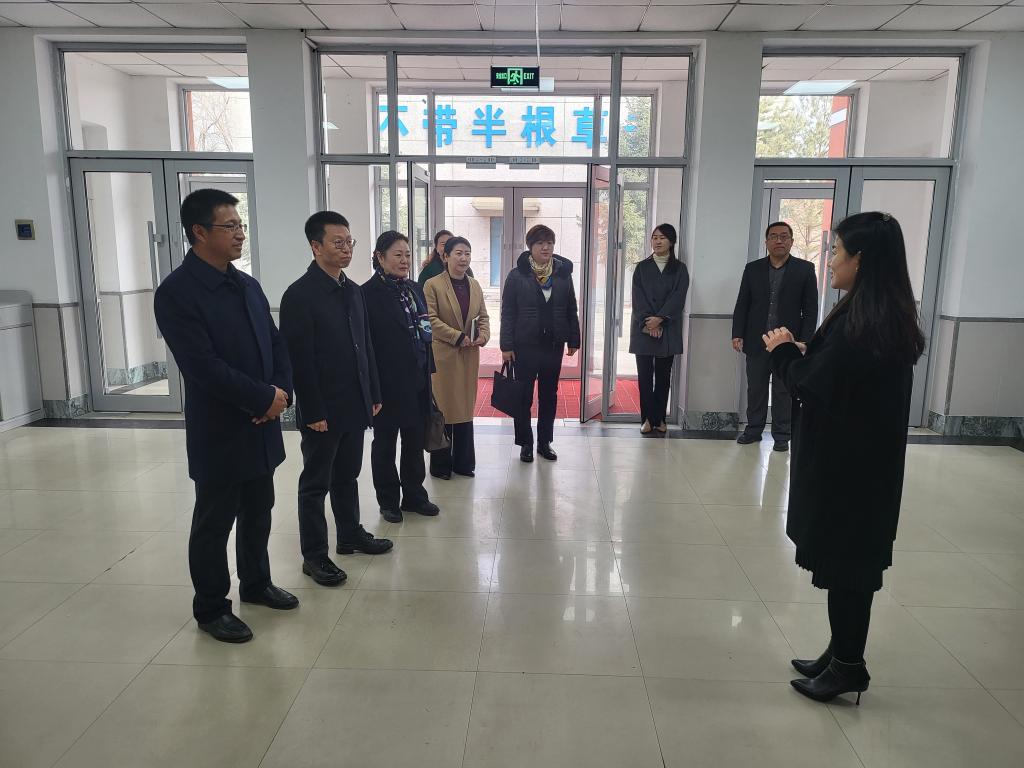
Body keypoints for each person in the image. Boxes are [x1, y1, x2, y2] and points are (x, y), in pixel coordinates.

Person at [764, 212, 924, 705]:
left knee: (850, 568)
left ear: (862, 260)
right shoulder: (877, 314)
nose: (830, 260)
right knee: (848, 567)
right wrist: (810, 351)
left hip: (852, 473)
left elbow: (812, 384)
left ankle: (848, 667)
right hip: (860, 466)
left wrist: (783, 352)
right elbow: (838, 374)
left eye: (837, 251)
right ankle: (840, 654)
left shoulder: (863, 323)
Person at [154, 189, 297, 644]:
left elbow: (275, 343)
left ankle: (256, 582)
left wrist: (280, 393)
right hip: (220, 427)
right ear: (199, 232)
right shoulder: (177, 293)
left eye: (241, 225)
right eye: (229, 226)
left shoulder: (246, 284)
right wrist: (260, 399)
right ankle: (212, 607)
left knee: (259, 510)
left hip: (261, 421)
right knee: (214, 522)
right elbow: (202, 366)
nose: (239, 234)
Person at [280, 211, 393, 589]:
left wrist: (374, 392)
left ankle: (349, 534)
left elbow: (367, 347)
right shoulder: (299, 295)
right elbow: (298, 360)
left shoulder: (353, 290)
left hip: (354, 401)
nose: (346, 249)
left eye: (349, 242)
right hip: (322, 409)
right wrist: (311, 409)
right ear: (316, 246)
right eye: (338, 242)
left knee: (347, 474)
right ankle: (314, 556)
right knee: (316, 483)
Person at [363, 231, 441, 522]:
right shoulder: (366, 294)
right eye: (397, 255)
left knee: (413, 441)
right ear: (380, 257)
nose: (404, 260)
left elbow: (424, 331)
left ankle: (414, 495)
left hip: (417, 379)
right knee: (385, 443)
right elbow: (366, 345)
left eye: (407, 254)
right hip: (386, 384)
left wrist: (428, 371)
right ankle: (388, 501)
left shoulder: (413, 289)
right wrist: (372, 388)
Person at [731, 221, 819, 452]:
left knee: (783, 390)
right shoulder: (753, 269)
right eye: (773, 236)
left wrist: (804, 341)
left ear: (791, 241)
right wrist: (737, 333)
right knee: (756, 389)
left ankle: (782, 435)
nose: (779, 240)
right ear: (766, 242)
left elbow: (810, 309)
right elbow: (743, 303)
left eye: (784, 236)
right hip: (757, 341)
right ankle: (753, 430)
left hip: (787, 344)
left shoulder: (805, 269)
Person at [500, 224, 580, 463]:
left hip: (553, 345)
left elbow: (571, 308)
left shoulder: (562, 274)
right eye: (540, 243)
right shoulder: (517, 275)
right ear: (530, 247)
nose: (546, 247)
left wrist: (574, 339)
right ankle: (526, 442)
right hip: (525, 345)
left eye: (549, 243)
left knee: (549, 395)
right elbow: (508, 312)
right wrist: (506, 345)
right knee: (523, 396)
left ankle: (545, 442)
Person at [423, 236, 490, 479]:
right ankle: (441, 465)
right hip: (444, 357)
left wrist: (483, 335)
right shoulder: (432, 285)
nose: (464, 258)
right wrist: (457, 337)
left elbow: (483, 316)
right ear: (446, 256)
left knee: (464, 410)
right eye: (458, 253)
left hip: (469, 355)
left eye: (467, 254)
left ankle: (463, 463)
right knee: (444, 410)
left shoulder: (474, 285)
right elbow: (430, 320)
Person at [629, 223, 690, 436]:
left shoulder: (680, 269)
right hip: (643, 328)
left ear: (671, 242)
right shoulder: (642, 268)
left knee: (663, 377)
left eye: (662, 238)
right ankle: (647, 419)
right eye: (654, 237)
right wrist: (649, 322)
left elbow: (678, 297)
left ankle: (660, 419)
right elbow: (637, 297)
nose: (657, 241)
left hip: (668, 328)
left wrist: (660, 319)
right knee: (644, 377)